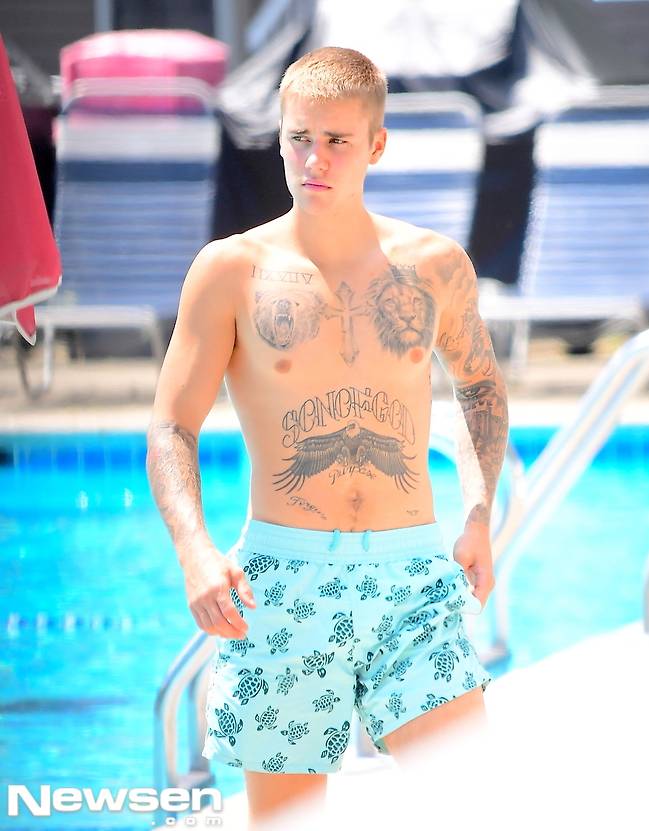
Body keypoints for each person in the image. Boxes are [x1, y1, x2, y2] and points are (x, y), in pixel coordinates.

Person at [146, 45, 508, 829]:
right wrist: (194, 551)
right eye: (298, 138)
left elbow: (480, 385)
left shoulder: (434, 266)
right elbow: (172, 425)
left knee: (469, 808)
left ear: (376, 144)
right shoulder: (229, 271)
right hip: (283, 581)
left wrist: (478, 514)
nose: (313, 160)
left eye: (337, 140)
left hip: (412, 576)